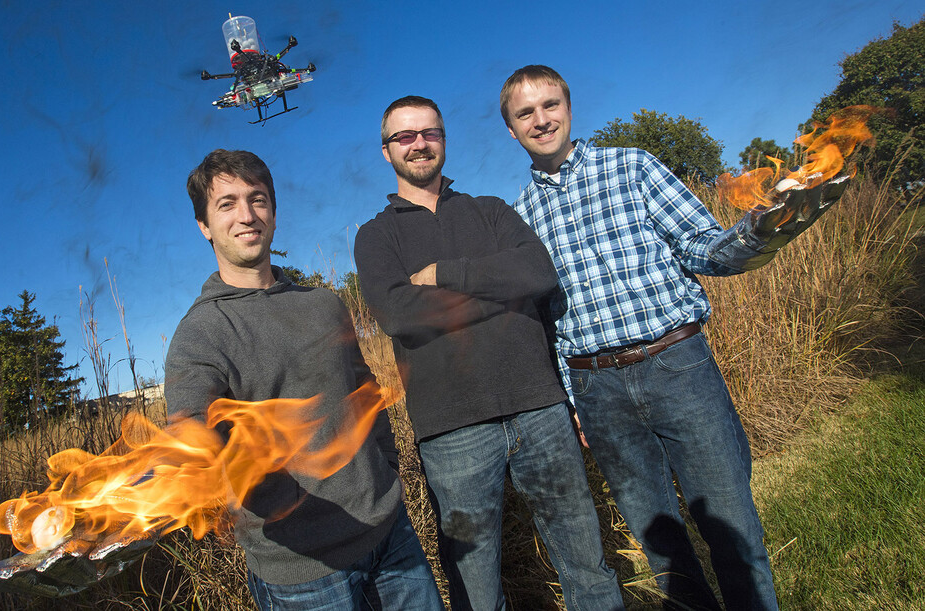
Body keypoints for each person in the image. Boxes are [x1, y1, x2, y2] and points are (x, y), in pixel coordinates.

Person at [500, 64, 780, 610]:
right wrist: (573, 401)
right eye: (525, 113)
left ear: (569, 108)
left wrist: (757, 232)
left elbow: (701, 248)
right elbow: (546, 321)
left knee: (728, 522)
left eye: (550, 105)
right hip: (597, 388)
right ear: (512, 130)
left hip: (676, 364)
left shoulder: (632, 166)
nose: (541, 119)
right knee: (662, 547)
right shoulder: (519, 218)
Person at [354, 96, 624, 611]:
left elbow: (538, 276)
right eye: (404, 136)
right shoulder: (375, 237)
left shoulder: (492, 211)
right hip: (452, 431)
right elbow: (400, 314)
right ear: (386, 151)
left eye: (429, 133)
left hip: (539, 408)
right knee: (476, 591)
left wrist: (446, 277)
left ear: (444, 141)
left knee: (587, 565)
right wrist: (500, 294)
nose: (418, 143)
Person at [165, 149, 444, 611]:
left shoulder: (322, 304)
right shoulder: (202, 331)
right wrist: (194, 455)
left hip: (390, 535)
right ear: (204, 226)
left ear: (273, 212)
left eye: (257, 199)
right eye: (227, 204)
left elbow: (366, 392)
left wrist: (388, 472)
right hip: (303, 569)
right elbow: (190, 425)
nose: (247, 215)